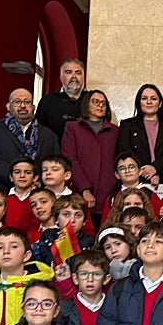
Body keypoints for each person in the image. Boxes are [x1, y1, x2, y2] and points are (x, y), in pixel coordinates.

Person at [0, 88, 63, 190]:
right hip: (0, 192)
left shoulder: (49, 135)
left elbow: (55, 163)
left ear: (33, 107)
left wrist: (36, 179)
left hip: (37, 192)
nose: (23, 106)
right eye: (17, 102)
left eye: (27, 102)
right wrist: (15, 176)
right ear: (9, 106)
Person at [61, 89, 118, 227]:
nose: (100, 106)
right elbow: (70, 158)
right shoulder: (72, 128)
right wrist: (84, 189)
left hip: (107, 195)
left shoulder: (115, 131)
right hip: (79, 193)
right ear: (86, 104)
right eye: (96, 102)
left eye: (103, 103)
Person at [117, 83, 163, 191]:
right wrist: (147, 172)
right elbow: (125, 151)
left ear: (160, 103)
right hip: (135, 180)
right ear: (139, 102)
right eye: (144, 98)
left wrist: (155, 168)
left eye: (153, 99)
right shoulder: (127, 125)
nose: (149, 102)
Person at [35, 58, 86, 140]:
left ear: (83, 77)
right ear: (61, 77)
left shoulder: (92, 101)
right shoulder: (47, 102)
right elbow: (38, 133)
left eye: (78, 73)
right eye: (68, 72)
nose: (74, 76)